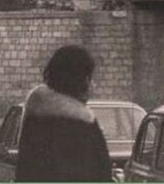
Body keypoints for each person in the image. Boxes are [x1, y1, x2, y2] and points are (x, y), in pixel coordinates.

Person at [16, 45, 112, 182]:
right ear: (83, 80)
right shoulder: (81, 127)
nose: (93, 85)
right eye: (90, 78)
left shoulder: (35, 119)